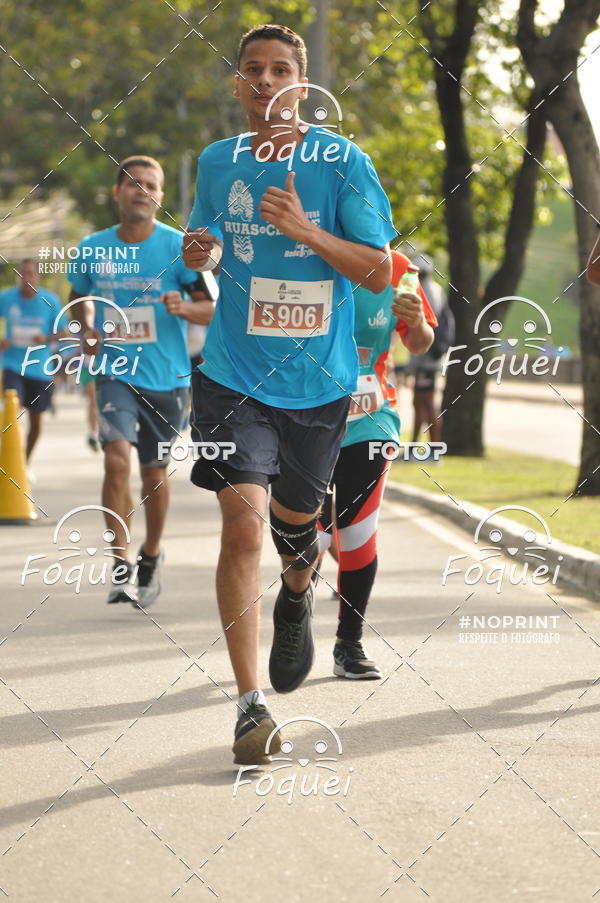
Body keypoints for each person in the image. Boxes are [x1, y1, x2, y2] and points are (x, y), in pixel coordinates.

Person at [182, 23, 396, 766]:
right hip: (232, 376)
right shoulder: (218, 161)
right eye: (254, 69)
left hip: (318, 384)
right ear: (238, 83)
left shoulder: (343, 162)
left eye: (281, 70)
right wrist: (199, 249)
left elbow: (378, 270)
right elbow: (203, 240)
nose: (266, 81)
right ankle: (250, 708)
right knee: (243, 527)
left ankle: (299, 587)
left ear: (302, 85)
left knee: (296, 524)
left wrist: (306, 230)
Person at [69, 155, 214, 608]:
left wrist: (183, 308)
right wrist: (86, 326)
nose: (142, 190)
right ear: (117, 192)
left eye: (151, 184)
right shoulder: (92, 247)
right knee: (116, 461)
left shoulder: (179, 249)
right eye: (133, 183)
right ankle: (120, 561)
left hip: (167, 377)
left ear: (160, 195)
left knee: (153, 471)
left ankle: (151, 552)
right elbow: (78, 297)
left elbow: (212, 308)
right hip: (114, 372)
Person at [316, 250, 436, 678]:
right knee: (309, 535)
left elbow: (419, 342)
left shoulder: (398, 267)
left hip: (371, 418)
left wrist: (417, 323)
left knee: (358, 532)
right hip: (302, 418)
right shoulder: (299, 250)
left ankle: (349, 643)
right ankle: (294, 617)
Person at [0, 259, 63, 462]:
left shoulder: (50, 301)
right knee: (12, 408)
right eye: (22, 274)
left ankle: (24, 463)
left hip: (39, 369)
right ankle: (9, 459)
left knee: (36, 421)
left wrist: (46, 338)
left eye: (30, 274)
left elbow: (65, 331)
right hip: (12, 365)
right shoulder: (6, 298)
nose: (26, 278)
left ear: (38, 277)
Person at [407, 256, 448, 449]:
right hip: (430, 358)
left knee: (428, 403)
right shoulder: (436, 289)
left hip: (427, 359)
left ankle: (435, 448)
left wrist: (412, 365)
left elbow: (425, 329)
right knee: (419, 402)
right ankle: (415, 446)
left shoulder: (425, 292)